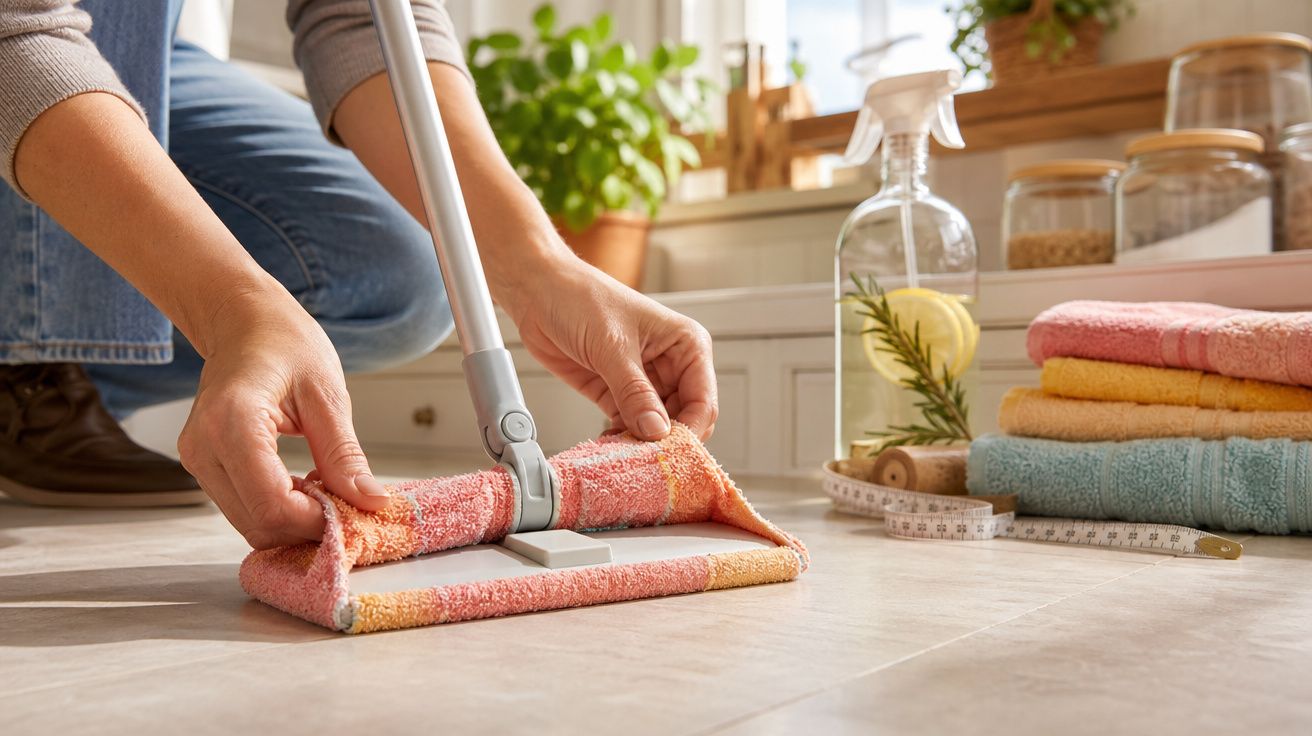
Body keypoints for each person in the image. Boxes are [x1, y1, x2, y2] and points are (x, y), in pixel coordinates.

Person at [0, 0, 718, 549]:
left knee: (395, 279)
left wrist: (540, 267)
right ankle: (31, 368)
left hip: (138, 49)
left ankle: (52, 366)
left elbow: (363, 15)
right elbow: (19, 25)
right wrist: (232, 308)